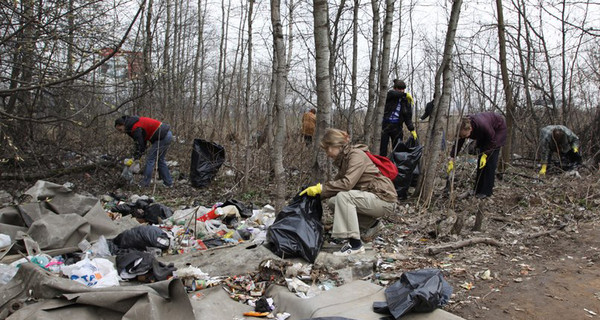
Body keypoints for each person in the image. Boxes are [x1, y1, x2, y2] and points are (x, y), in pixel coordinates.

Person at [300, 128, 397, 255]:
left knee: (344, 197)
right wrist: (316, 195)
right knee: (333, 201)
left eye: (327, 148)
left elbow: (346, 184)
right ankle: (372, 225)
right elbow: (336, 185)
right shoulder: (344, 159)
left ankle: (355, 245)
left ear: (336, 145)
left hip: (384, 199)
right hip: (372, 198)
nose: (327, 153)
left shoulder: (356, 155)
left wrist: (321, 189)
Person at [447, 112, 506, 199]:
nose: (464, 137)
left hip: (497, 131)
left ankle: (486, 192)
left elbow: (492, 140)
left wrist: (485, 155)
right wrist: (452, 157)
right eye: (462, 135)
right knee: (480, 163)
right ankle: (477, 189)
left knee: (490, 163)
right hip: (485, 136)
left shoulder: (482, 125)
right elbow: (459, 142)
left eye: (465, 135)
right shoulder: (463, 126)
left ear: (470, 129)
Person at [115, 115, 173, 187]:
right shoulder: (132, 123)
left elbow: (140, 144)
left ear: (123, 125)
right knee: (160, 160)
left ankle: (145, 184)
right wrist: (137, 157)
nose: (121, 132)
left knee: (150, 159)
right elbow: (142, 142)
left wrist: (136, 158)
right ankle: (168, 183)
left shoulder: (135, 127)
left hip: (162, 137)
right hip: (167, 134)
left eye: (120, 130)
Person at [380, 79, 417, 156]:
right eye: (399, 89)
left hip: (397, 127)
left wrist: (412, 129)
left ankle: (394, 167)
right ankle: (382, 166)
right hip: (385, 125)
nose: (401, 91)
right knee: (383, 150)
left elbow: (407, 117)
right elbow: (392, 94)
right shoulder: (390, 95)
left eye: (403, 89)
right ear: (395, 88)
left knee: (397, 150)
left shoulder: (406, 100)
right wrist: (405, 95)